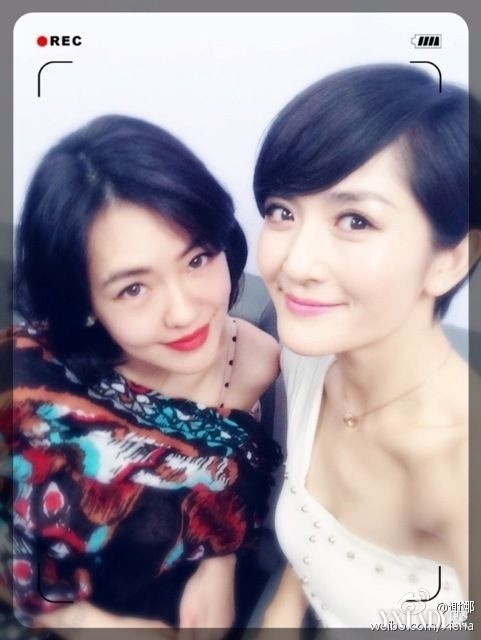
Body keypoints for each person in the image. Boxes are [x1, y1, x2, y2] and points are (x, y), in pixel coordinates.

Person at [6, 114, 281, 631]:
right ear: (85, 301)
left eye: (197, 259)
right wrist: (84, 624)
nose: (184, 311)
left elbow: (228, 479)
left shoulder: (263, 362)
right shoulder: (25, 383)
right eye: (134, 288)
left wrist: (218, 562)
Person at [253, 64, 480, 629]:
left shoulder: (459, 469)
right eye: (282, 212)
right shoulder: (307, 355)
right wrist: (281, 613)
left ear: (450, 259)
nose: (296, 264)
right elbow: (314, 542)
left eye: (355, 220)